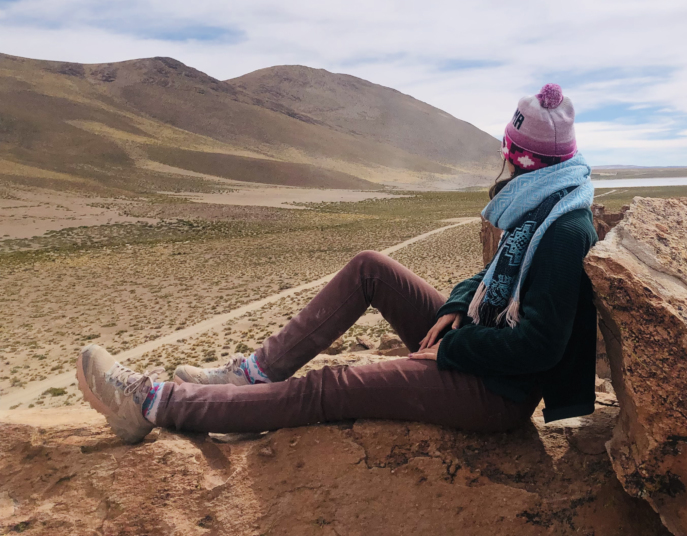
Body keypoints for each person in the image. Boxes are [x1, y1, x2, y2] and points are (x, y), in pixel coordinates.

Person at [76, 83, 599, 444]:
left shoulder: (564, 229)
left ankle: (153, 404)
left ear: (520, 159)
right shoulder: (544, 202)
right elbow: (495, 275)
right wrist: (458, 305)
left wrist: (453, 348)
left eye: (508, 151)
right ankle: (253, 377)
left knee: (331, 388)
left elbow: (539, 346)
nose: (502, 161)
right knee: (371, 268)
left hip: (497, 390)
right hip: (480, 342)